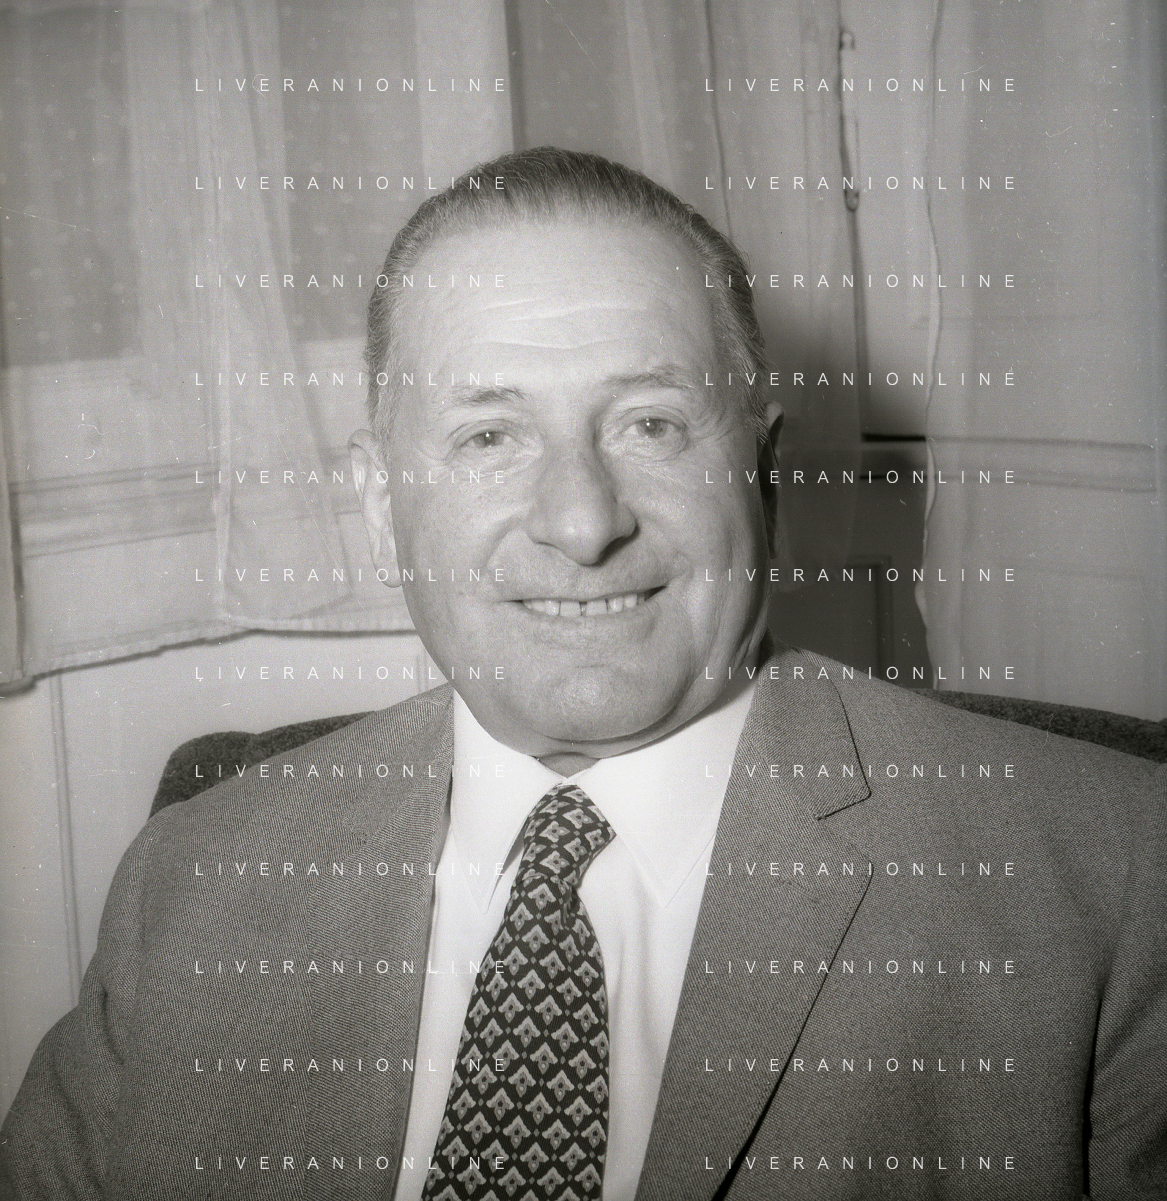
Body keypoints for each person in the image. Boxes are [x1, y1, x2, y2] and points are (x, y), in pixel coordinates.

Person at [1, 147, 1163, 1200]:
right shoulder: (194, 878)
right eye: (488, 435)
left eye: (651, 423)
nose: (582, 519)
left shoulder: (1108, 885)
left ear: (763, 472)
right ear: (378, 504)